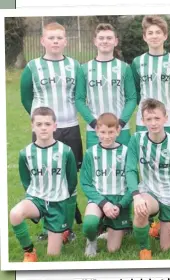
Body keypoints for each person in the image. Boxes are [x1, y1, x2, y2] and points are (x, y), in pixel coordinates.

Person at [20, 22, 82, 243]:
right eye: (51, 37)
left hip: (70, 128)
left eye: (59, 38)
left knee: (69, 178)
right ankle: (49, 227)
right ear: (42, 41)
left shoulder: (74, 65)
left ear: (65, 41)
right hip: (45, 131)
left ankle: (68, 225)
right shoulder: (32, 66)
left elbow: (79, 95)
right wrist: (42, 122)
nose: (55, 41)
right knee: (45, 178)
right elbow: (26, 97)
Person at [9, 107, 77, 262]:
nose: (43, 127)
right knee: (15, 214)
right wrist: (34, 195)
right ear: (32, 126)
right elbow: (25, 179)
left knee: (53, 256)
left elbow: (72, 180)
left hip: (58, 204)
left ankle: (60, 232)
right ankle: (29, 252)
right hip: (36, 199)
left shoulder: (65, 151)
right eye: (39, 124)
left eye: (47, 124)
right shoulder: (25, 153)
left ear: (55, 126)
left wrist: (61, 196)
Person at [125, 98, 170, 260]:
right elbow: (130, 170)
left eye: (157, 118)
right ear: (142, 120)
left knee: (167, 249)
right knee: (141, 209)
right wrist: (136, 196)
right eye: (149, 119)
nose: (153, 123)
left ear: (166, 118)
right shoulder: (137, 140)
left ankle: (160, 225)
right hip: (149, 191)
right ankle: (144, 249)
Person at [76, 23, 137, 148]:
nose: (105, 41)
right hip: (95, 131)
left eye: (109, 38)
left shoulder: (124, 68)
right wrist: (94, 124)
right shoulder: (84, 69)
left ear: (115, 41)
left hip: (121, 130)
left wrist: (121, 123)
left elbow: (131, 99)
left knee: (123, 166)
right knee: (97, 166)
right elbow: (79, 100)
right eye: (101, 38)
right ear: (95, 41)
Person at [80, 113, 132, 257]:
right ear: (96, 131)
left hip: (119, 202)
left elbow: (132, 184)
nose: (107, 136)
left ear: (118, 131)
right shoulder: (91, 153)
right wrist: (104, 203)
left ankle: (109, 229)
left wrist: (120, 205)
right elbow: (85, 183)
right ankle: (91, 240)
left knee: (113, 250)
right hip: (98, 199)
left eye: (111, 132)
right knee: (89, 224)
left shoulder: (127, 152)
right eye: (103, 132)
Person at [131, 15, 170, 140]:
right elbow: (136, 91)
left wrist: (167, 109)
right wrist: (148, 110)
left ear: (165, 36)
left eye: (158, 32)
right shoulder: (137, 62)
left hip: (169, 119)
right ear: (144, 37)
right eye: (150, 33)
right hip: (145, 121)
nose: (154, 36)